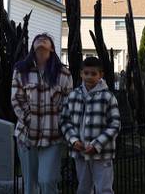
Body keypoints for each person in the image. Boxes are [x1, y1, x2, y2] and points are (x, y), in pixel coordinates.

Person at [11, 34, 72, 194]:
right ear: (33, 47)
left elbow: (68, 103)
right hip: (26, 135)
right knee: (30, 185)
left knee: (47, 181)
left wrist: (59, 123)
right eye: (38, 39)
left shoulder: (63, 73)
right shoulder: (21, 71)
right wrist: (30, 119)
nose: (41, 40)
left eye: (46, 39)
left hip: (52, 136)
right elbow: (16, 99)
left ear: (52, 48)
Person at [60, 56, 121, 194]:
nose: (89, 77)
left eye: (93, 74)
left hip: (102, 153)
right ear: (81, 73)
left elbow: (115, 124)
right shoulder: (73, 95)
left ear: (101, 75)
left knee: (104, 189)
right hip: (80, 152)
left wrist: (97, 145)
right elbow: (64, 120)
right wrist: (73, 140)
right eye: (86, 73)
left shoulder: (108, 97)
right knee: (83, 188)